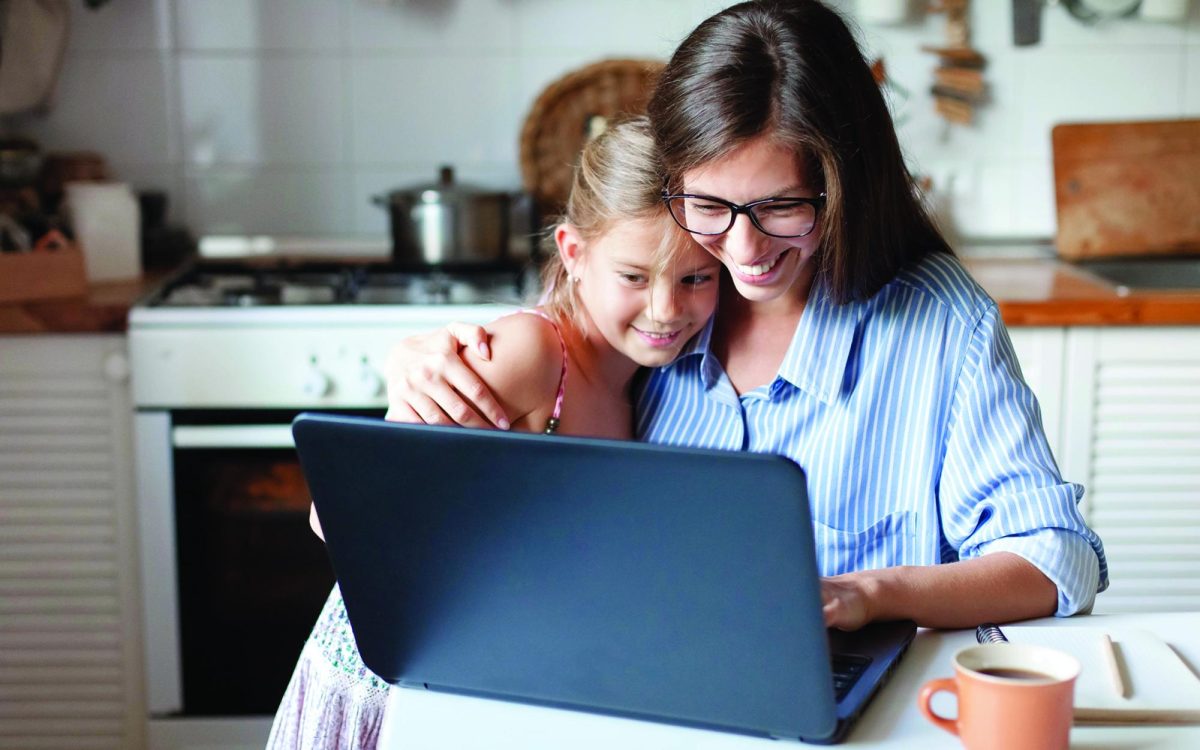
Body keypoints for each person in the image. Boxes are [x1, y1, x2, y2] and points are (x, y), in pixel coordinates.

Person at [382, 0, 1108, 633]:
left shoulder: (941, 324)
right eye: (710, 206)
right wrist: (418, 369)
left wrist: (873, 592)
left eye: (781, 207)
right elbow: (553, 350)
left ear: (842, 185)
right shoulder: (675, 292)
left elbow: (1056, 556)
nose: (744, 250)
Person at [266, 117, 721, 749]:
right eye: (635, 277)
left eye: (695, 278)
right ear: (573, 252)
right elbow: (337, 516)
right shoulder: (531, 355)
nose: (667, 309)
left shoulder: (645, 379)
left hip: (494, 679)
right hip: (391, 681)